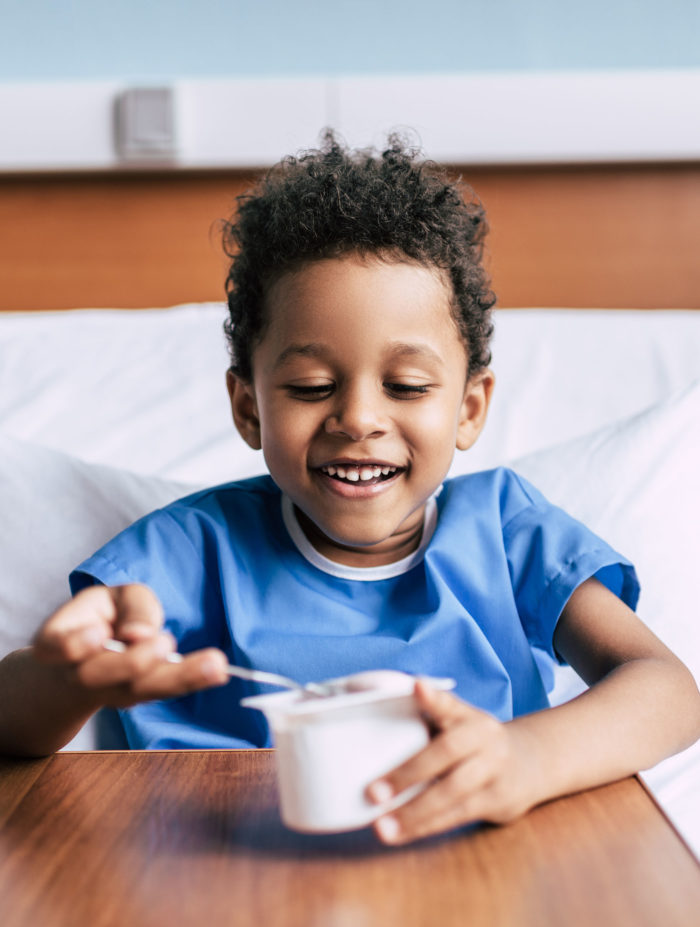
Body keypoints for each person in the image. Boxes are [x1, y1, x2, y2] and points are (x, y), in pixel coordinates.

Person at [1, 133, 699, 847]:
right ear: (249, 408)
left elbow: (667, 690)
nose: (360, 418)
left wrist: (526, 758)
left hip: (487, 869)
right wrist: (71, 680)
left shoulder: (508, 531)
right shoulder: (191, 550)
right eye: (310, 386)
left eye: (407, 385)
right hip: (224, 880)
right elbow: (10, 718)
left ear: (468, 408)